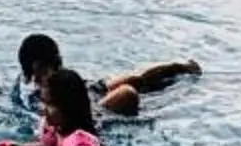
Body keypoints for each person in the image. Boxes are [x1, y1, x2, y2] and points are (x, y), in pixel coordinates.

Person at [15, 31, 198, 117]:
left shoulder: (51, 76)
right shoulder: (30, 92)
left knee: (135, 78)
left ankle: (180, 67)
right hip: (90, 110)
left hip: (86, 91)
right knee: (127, 93)